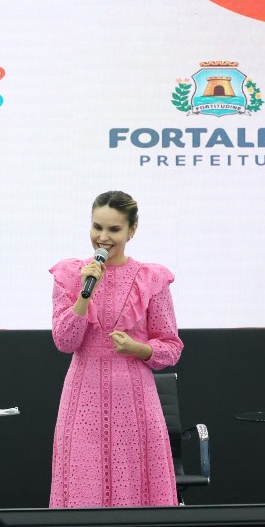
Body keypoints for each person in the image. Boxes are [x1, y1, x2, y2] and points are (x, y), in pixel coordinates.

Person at [48, 191, 183, 508]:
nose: (102, 238)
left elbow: (171, 346)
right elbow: (64, 341)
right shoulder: (70, 275)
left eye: (114, 230)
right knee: (83, 480)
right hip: (84, 395)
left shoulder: (152, 279)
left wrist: (140, 348)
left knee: (137, 481)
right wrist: (84, 295)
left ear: (132, 230)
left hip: (135, 398)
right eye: (97, 227)